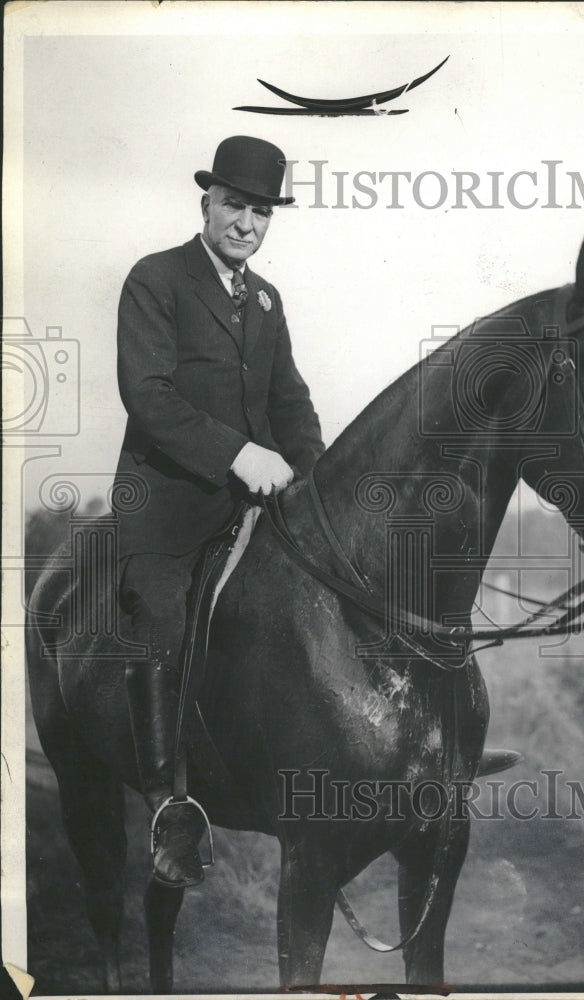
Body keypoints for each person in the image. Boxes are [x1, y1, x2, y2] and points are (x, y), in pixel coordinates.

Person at [112, 136, 325, 888]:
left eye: (260, 211)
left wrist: (311, 469)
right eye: (234, 204)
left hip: (253, 507)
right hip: (167, 507)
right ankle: (170, 809)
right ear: (205, 202)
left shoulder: (265, 300)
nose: (246, 223)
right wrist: (239, 454)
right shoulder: (155, 279)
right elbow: (149, 395)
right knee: (164, 621)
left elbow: (289, 402)